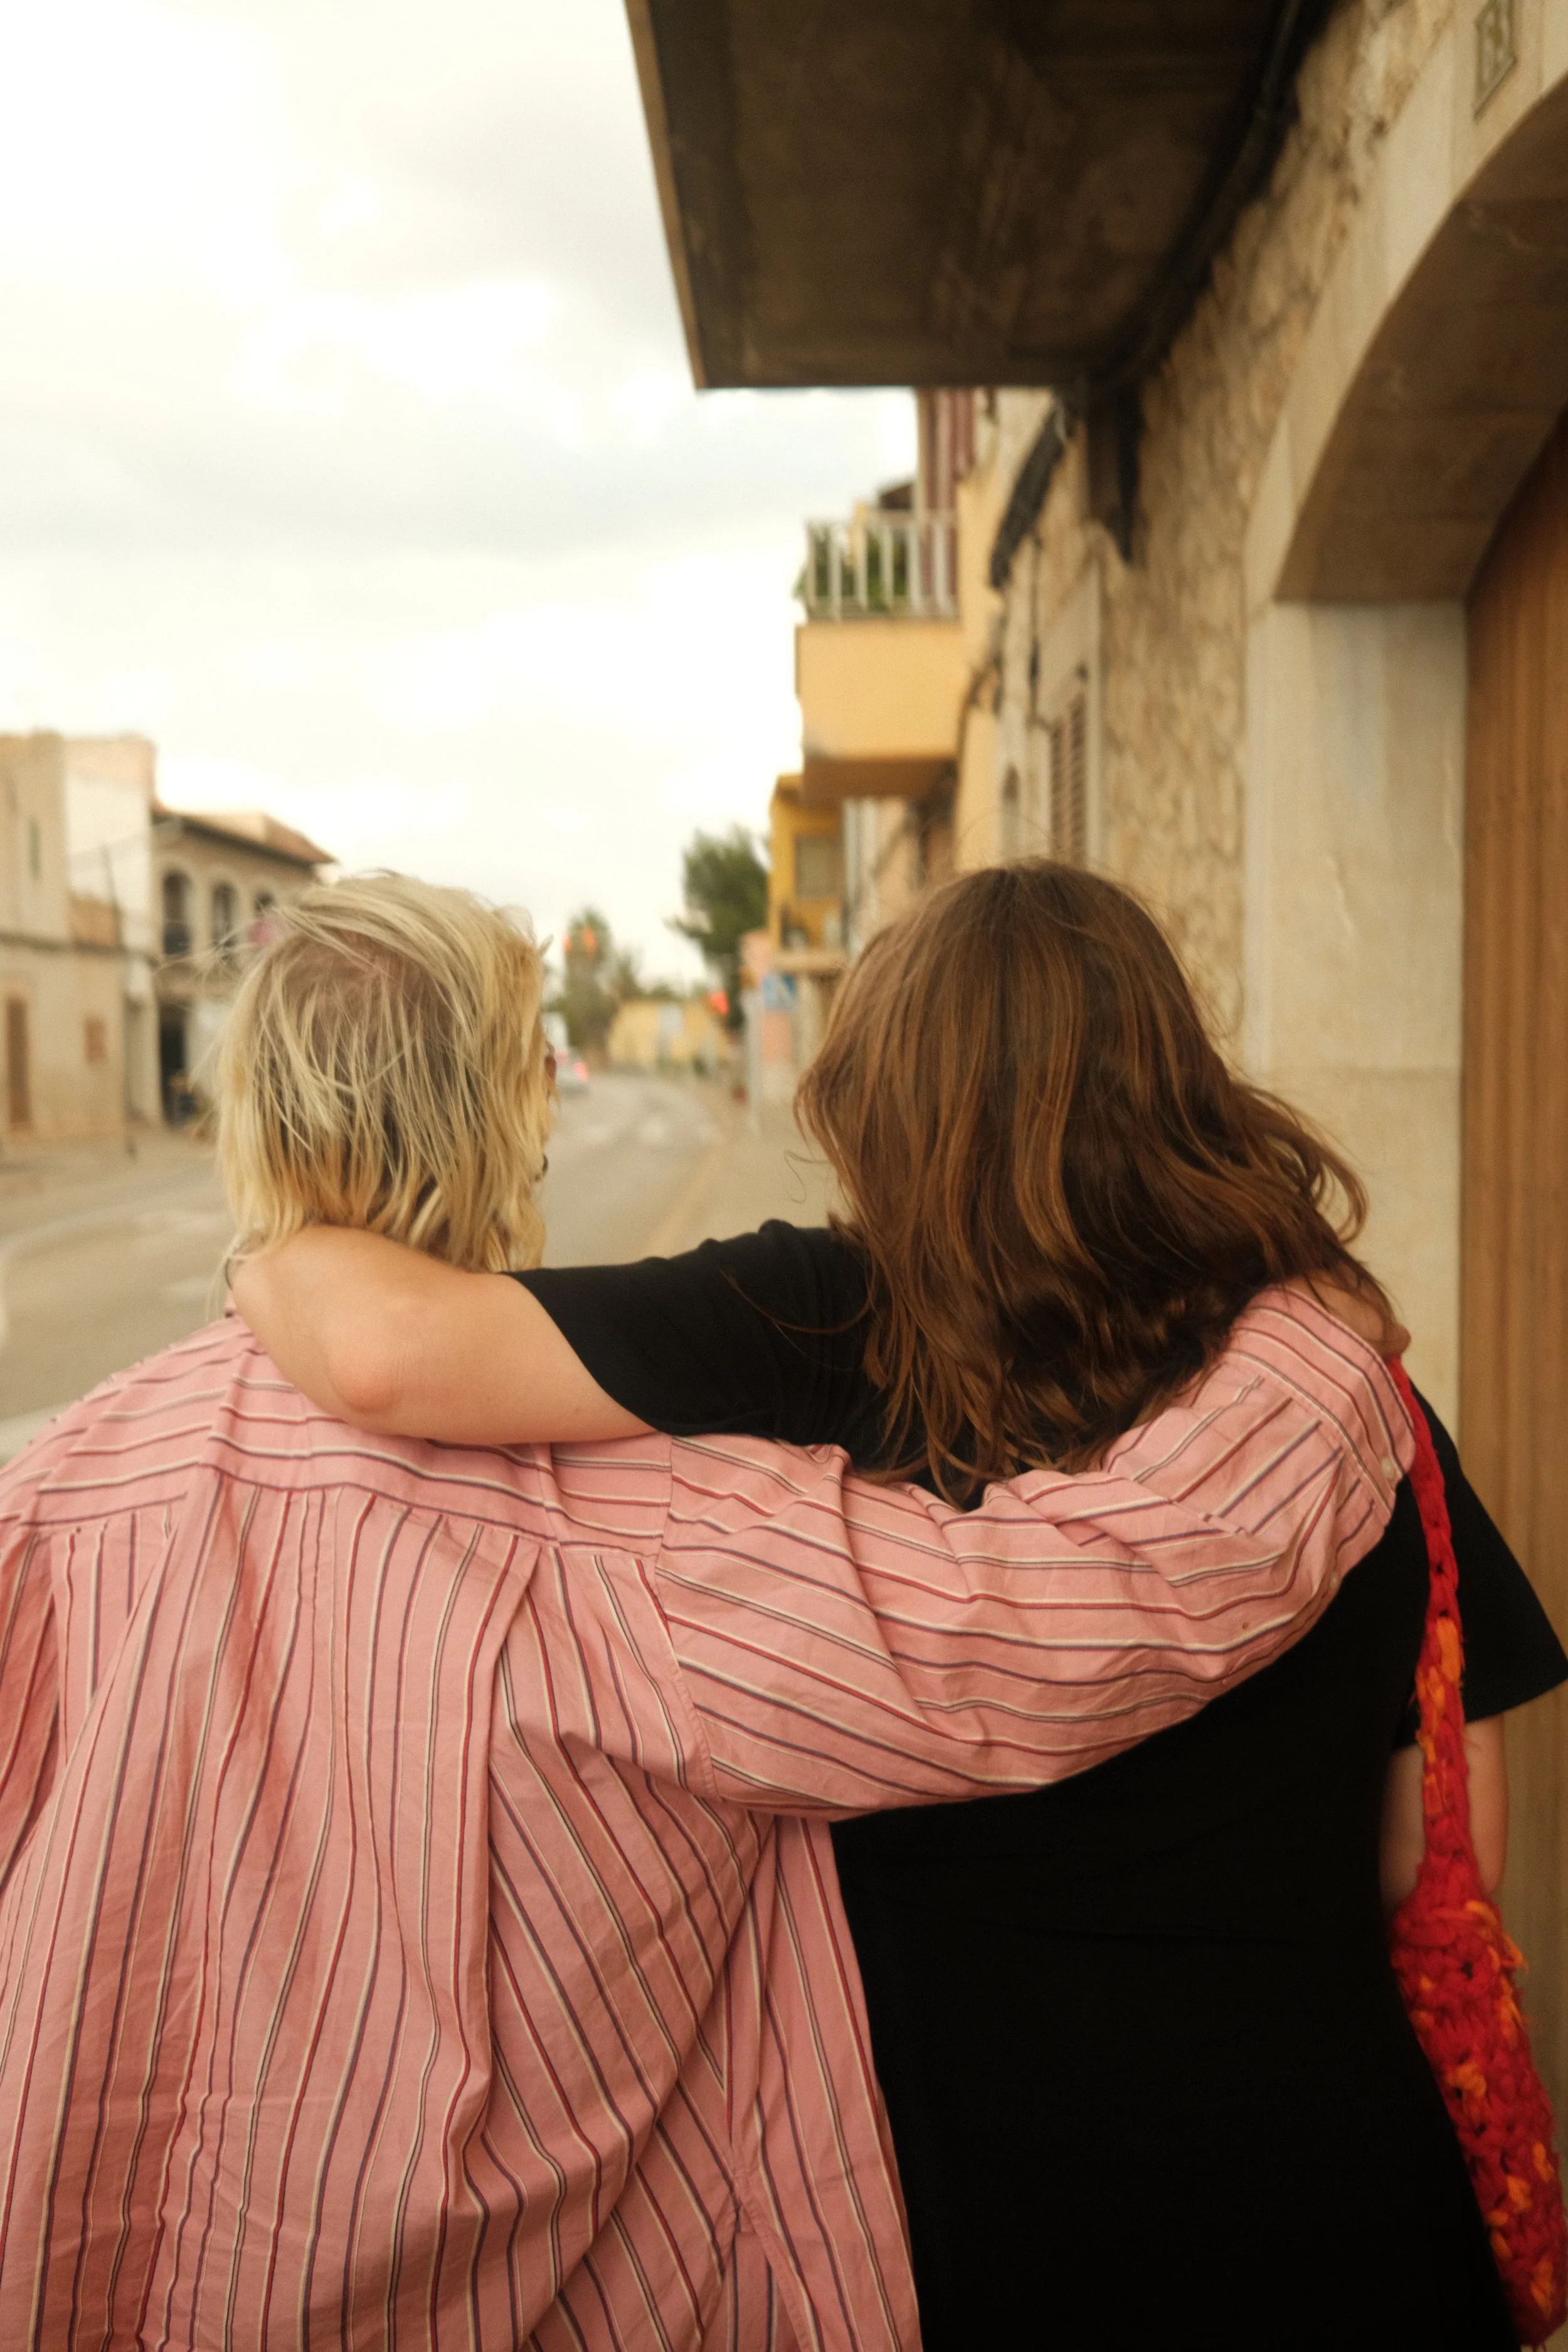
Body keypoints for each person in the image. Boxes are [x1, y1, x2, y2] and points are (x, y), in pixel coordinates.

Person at [0, 874, 1405, 2352]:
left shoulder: (63, 1491)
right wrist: (1319, 1359)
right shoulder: (659, 1539)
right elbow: (1055, 1626)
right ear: (509, 1113)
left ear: (253, 1111)